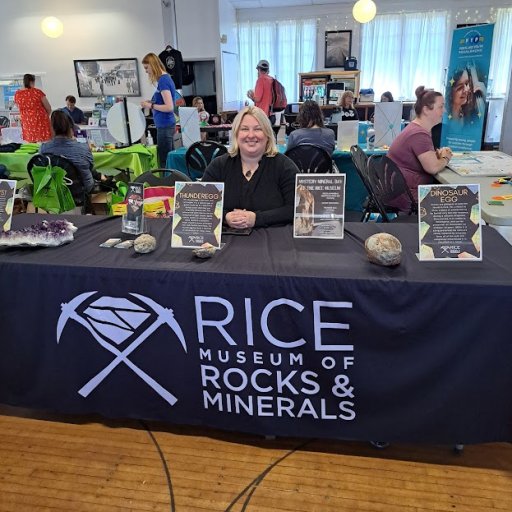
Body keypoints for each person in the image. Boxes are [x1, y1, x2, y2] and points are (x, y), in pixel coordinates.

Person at [202, 106, 299, 229]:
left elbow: (296, 209)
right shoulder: (218, 166)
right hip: (227, 242)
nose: (251, 135)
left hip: (275, 242)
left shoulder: (285, 167)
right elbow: (203, 205)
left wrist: (257, 219)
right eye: (244, 129)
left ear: (268, 134)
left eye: (258, 129)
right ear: (236, 134)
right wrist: (225, 217)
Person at [387, 86, 453, 209]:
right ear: (426, 110)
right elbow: (433, 168)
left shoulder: (415, 129)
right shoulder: (419, 134)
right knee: (458, 199)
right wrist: (445, 158)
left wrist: (436, 157)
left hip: (397, 190)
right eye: (440, 107)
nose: (444, 111)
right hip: (407, 195)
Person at [40, 110, 99, 193]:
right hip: (81, 191)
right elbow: (90, 167)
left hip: (54, 192)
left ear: (51, 128)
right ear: (71, 128)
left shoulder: (43, 148)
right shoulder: (83, 148)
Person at [140, 53, 176, 168]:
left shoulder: (163, 81)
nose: (146, 71)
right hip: (165, 125)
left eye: (146, 68)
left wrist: (150, 106)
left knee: (165, 160)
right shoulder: (164, 80)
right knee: (168, 158)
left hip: (165, 125)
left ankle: (167, 184)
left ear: (153, 65)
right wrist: (151, 103)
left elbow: (169, 107)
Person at [14, 73, 52, 142]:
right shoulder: (37, 92)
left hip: (27, 122)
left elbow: (19, 107)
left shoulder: (17, 94)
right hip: (41, 121)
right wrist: (45, 116)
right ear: (32, 82)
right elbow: (48, 108)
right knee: (44, 142)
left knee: (31, 144)